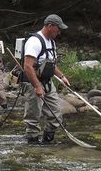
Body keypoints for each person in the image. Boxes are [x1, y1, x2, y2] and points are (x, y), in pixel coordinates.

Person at [21, 14, 71, 144]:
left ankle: (47, 143)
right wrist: (37, 86)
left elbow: (50, 64)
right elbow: (27, 66)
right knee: (33, 118)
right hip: (33, 82)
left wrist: (62, 76)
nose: (59, 32)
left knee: (56, 115)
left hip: (47, 82)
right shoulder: (34, 41)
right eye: (58, 29)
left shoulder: (51, 42)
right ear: (50, 26)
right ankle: (33, 146)